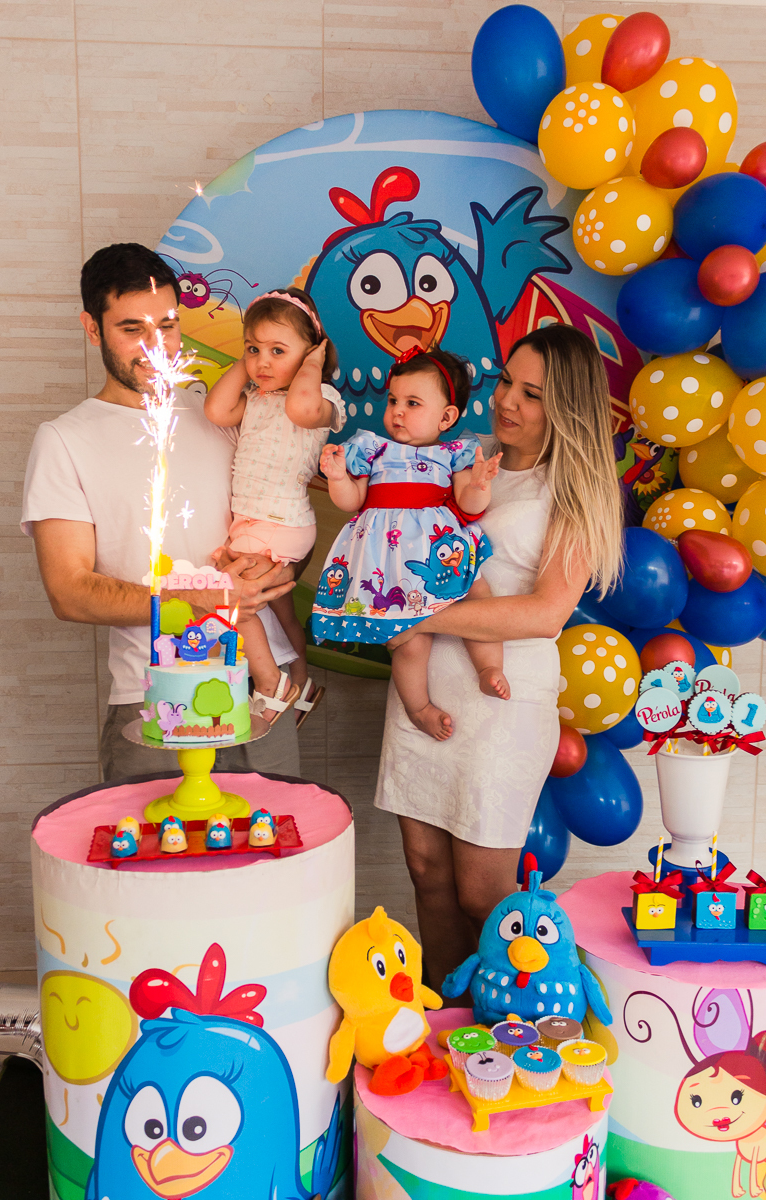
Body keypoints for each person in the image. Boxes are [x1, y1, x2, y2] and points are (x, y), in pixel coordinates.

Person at [374, 325, 624, 995]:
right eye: (506, 381)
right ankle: (449, 1026)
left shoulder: (569, 489)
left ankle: (516, 1028)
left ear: (565, 407)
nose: (506, 400)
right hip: (425, 686)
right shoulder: (465, 457)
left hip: (503, 701)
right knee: (425, 872)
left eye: (531, 393)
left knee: (487, 897)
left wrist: (420, 616)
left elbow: (545, 612)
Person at [21, 243, 302, 780]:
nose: (156, 346)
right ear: (91, 327)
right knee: (159, 858)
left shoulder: (222, 412)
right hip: (152, 696)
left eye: (167, 326)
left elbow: (283, 520)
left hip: (262, 688)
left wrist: (279, 575)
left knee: (274, 855)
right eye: (132, 329)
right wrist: (208, 597)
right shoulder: (63, 440)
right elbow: (69, 591)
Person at [312, 346, 506, 741]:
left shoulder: (454, 454)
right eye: (394, 400)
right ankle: (418, 707)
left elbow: (470, 507)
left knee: (479, 595)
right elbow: (353, 502)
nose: (397, 411)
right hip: (392, 561)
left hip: (441, 552)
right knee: (411, 642)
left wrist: (480, 484)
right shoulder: (372, 449)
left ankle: (489, 667)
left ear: (446, 416)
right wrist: (337, 478)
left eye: (413, 403)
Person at [204, 288, 343, 726]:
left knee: (229, 600)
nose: (262, 362)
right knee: (282, 614)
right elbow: (215, 409)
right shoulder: (258, 400)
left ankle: (271, 684)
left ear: (309, 354)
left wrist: (314, 364)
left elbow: (302, 409)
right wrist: (245, 363)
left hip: (280, 523)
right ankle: (301, 682)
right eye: (253, 349)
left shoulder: (324, 400)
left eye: (277, 351)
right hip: (257, 523)